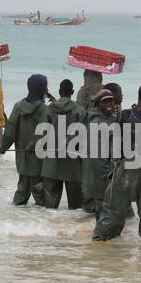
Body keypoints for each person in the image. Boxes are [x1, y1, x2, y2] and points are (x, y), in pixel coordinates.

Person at [93, 82, 141, 244]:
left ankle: (101, 242)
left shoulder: (123, 115)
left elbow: (115, 142)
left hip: (124, 167)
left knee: (113, 210)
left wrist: (116, 161)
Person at [0, 74, 49, 204]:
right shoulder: (44, 109)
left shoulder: (19, 107)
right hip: (39, 159)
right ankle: (42, 222)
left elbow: (9, 132)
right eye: (45, 87)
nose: (47, 89)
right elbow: (43, 132)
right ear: (41, 88)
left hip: (22, 158)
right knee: (40, 195)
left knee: (21, 192)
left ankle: (16, 221)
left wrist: (2, 148)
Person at [40, 79, 85, 209]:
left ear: (59, 92)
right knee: (76, 209)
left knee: (49, 208)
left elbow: (42, 134)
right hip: (73, 162)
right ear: (72, 92)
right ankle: (74, 229)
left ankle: (48, 228)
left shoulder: (49, 109)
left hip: (51, 162)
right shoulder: (79, 110)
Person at [80, 89, 115, 215]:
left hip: (97, 176)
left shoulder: (107, 120)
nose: (109, 104)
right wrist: (109, 176)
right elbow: (99, 158)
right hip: (101, 177)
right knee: (104, 214)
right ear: (98, 105)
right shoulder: (97, 124)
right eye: (105, 102)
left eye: (111, 101)